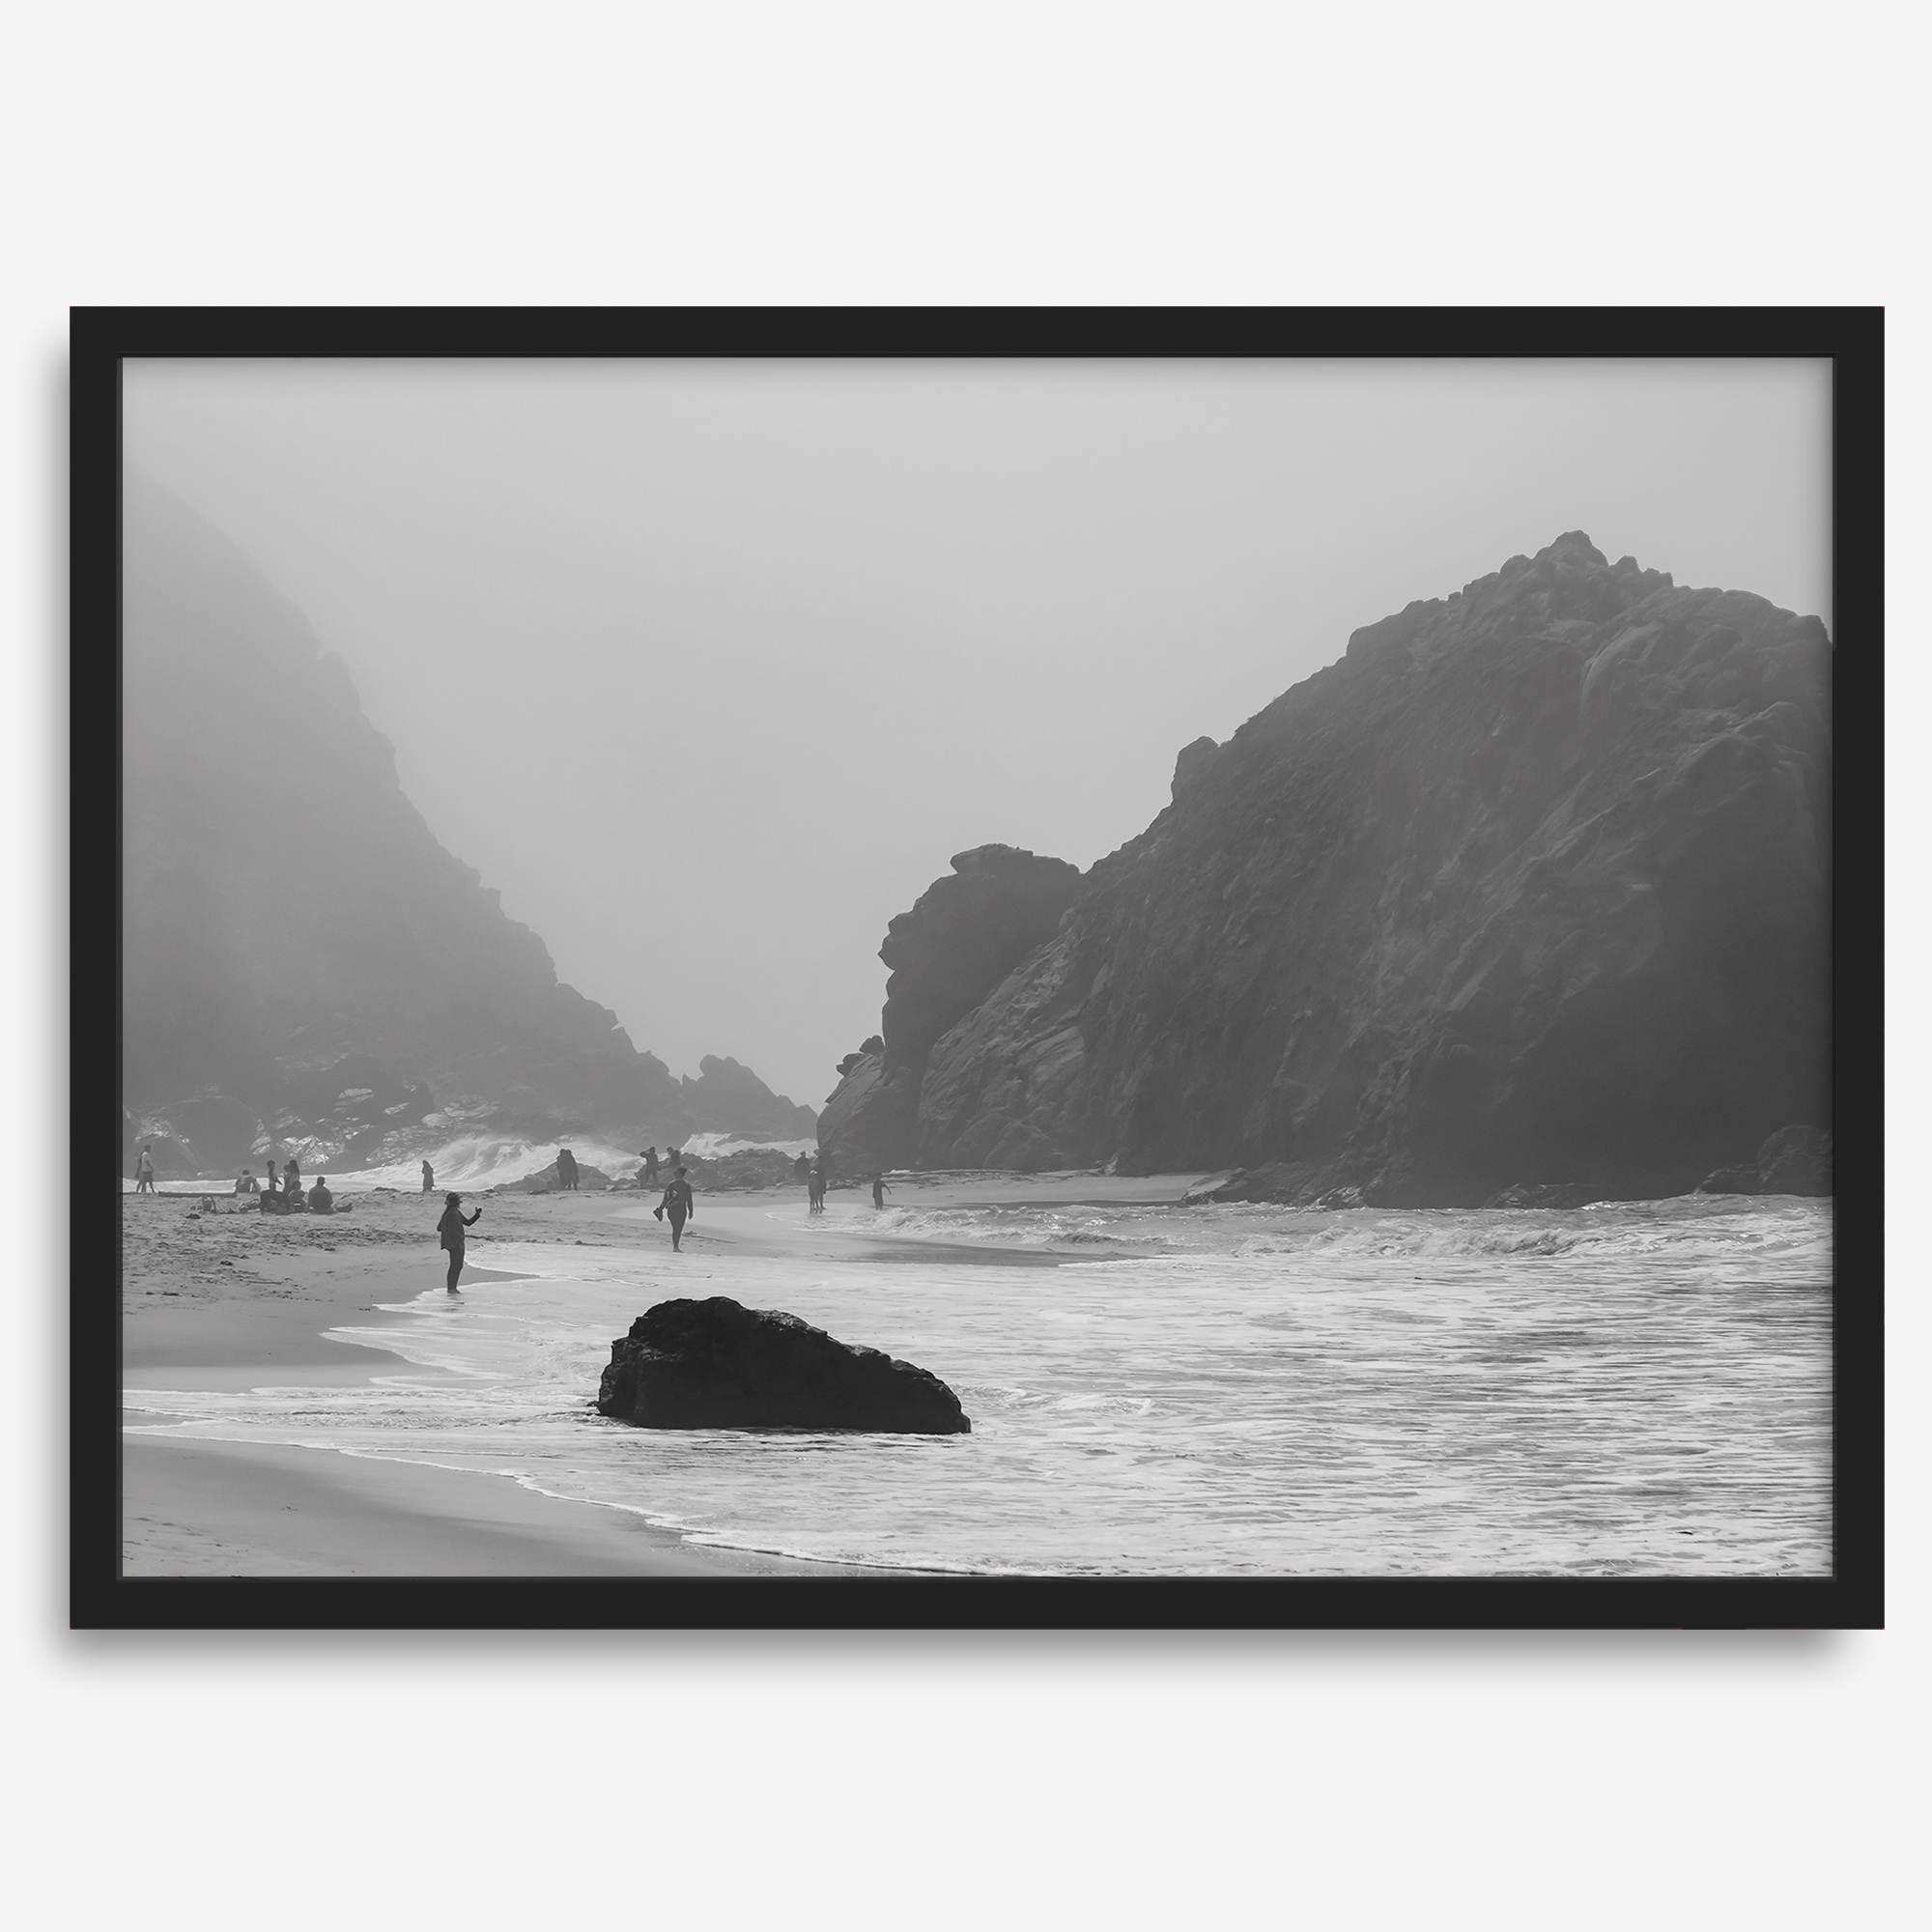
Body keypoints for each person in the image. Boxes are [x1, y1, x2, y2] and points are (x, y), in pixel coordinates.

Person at [437, 1192, 482, 1293]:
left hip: (455, 1242)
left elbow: (467, 1223)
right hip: (456, 1243)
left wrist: (477, 1215)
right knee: (456, 1266)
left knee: (456, 1265)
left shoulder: (451, 1212)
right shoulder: (452, 1213)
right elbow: (440, 1228)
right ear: (457, 1202)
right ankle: (451, 1288)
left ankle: (452, 1287)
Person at [655, 1166, 695, 1252]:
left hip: (682, 1209)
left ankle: (676, 1246)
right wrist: (661, 1208)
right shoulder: (672, 1184)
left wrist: (691, 1210)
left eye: (677, 1172)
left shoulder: (686, 1185)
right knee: (676, 1228)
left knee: (679, 1228)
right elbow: (667, 1197)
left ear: (681, 1174)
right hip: (673, 1208)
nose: (675, 1174)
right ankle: (675, 1247)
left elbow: (689, 1199)